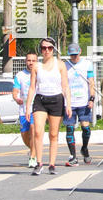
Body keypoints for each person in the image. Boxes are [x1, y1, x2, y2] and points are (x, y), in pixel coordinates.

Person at [25, 37, 71, 175]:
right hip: (40, 100)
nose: (46, 50)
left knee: (53, 134)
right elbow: (32, 87)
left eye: (49, 48)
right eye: (44, 48)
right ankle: (39, 163)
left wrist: (69, 104)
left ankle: (52, 164)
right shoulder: (36, 66)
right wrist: (28, 106)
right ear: (40, 50)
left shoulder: (60, 65)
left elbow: (65, 86)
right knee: (38, 132)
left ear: (53, 49)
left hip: (56, 100)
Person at [63, 43, 95, 166]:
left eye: (76, 55)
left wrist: (91, 98)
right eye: (72, 55)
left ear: (80, 52)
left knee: (86, 129)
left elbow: (91, 82)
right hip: (70, 103)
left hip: (84, 102)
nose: (74, 57)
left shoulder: (87, 64)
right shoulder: (65, 66)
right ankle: (73, 156)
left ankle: (85, 148)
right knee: (70, 129)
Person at [12, 51, 38, 168]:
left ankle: (33, 157)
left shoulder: (40, 73)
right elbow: (15, 92)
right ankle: (34, 149)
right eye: (29, 60)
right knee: (25, 135)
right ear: (25, 61)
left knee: (33, 129)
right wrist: (17, 99)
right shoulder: (19, 75)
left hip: (37, 108)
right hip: (23, 109)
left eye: (33, 60)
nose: (31, 63)